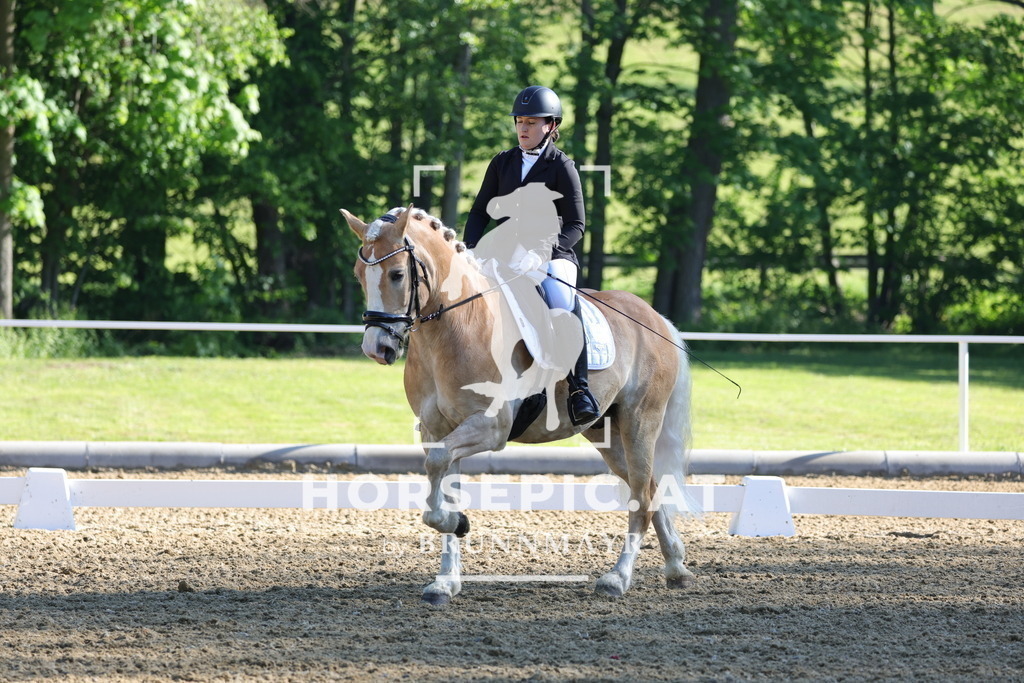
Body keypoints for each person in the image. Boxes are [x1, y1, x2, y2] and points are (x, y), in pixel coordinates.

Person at [463, 85, 600, 426]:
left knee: (561, 301)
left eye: (532, 122)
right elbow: (480, 211)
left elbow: (577, 224)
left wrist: (544, 255)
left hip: (552, 255)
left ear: (551, 126)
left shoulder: (562, 166)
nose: (523, 128)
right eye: (519, 121)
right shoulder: (503, 162)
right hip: (504, 252)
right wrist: (469, 250)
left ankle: (579, 389)